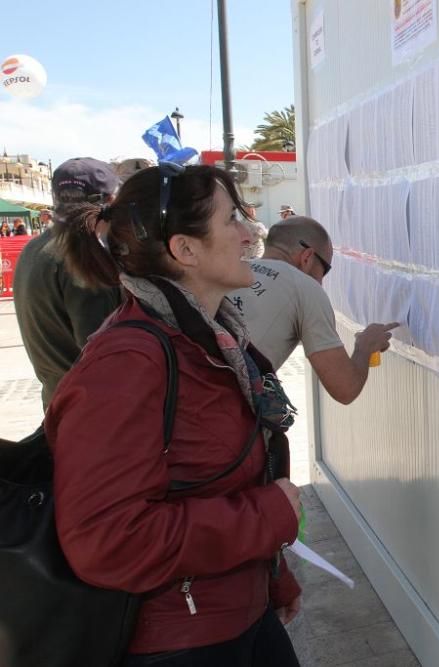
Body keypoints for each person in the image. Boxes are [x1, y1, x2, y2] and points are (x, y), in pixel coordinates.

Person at [45, 163, 303, 665]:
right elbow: (106, 539)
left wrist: (274, 573)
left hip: (238, 613)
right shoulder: (128, 363)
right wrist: (268, 515)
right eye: (233, 219)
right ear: (185, 250)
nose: (252, 233)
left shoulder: (210, 338)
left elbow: (221, 480)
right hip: (179, 641)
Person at [227, 216, 396, 403]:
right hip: (221, 412)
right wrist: (365, 347)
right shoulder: (305, 288)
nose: (321, 282)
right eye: (324, 270)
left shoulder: (232, 272)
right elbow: (345, 388)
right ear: (307, 257)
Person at [13, 158, 124, 409]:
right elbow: (102, 353)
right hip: (92, 411)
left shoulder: (36, 247)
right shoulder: (83, 258)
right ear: (108, 202)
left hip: (60, 403)